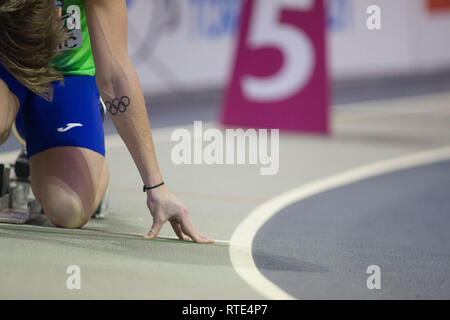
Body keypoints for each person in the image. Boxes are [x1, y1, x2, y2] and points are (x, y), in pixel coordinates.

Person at [0, 0, 213, 244]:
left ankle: (74, 131)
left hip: (66, 73)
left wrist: (155, 186)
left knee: (69, 209)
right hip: (7, 61)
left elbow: (114, 74)